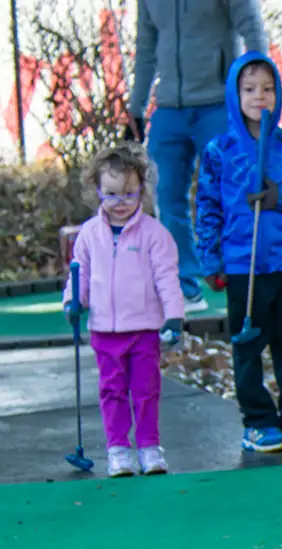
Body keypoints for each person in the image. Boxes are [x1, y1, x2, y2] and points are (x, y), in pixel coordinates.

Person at [196, 52, 282, 453]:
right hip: (242, 266)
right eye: (250, 89)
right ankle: (257, 421)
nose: (260, 96)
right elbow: (206, 206)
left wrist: (281, 197)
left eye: (268, 88)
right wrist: (211, 259)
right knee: (247, 342)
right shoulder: (219, 151)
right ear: (234, 94)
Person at [127, 0, 269, 312]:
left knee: (232, 192)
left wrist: (259, 91)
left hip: (219, 103)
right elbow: (146, 46)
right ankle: (185, 287)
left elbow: (253, 29)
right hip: (168, 108)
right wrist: (135, 107)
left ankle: (244, 278)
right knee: (166, 196)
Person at [63, 144, 185, 478]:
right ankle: (118, 450)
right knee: (111, 391)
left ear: (141, 191)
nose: (120, 203)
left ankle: (149, 447)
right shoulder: (89, 234)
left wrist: (173, 316)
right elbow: (80, 274)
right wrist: (74, 301)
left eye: (129, 194)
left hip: (144, 328)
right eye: (112, 195)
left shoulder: (154, 235)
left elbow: (167, 278)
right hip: (104, 329)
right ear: (98, 192)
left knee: (146, 391)